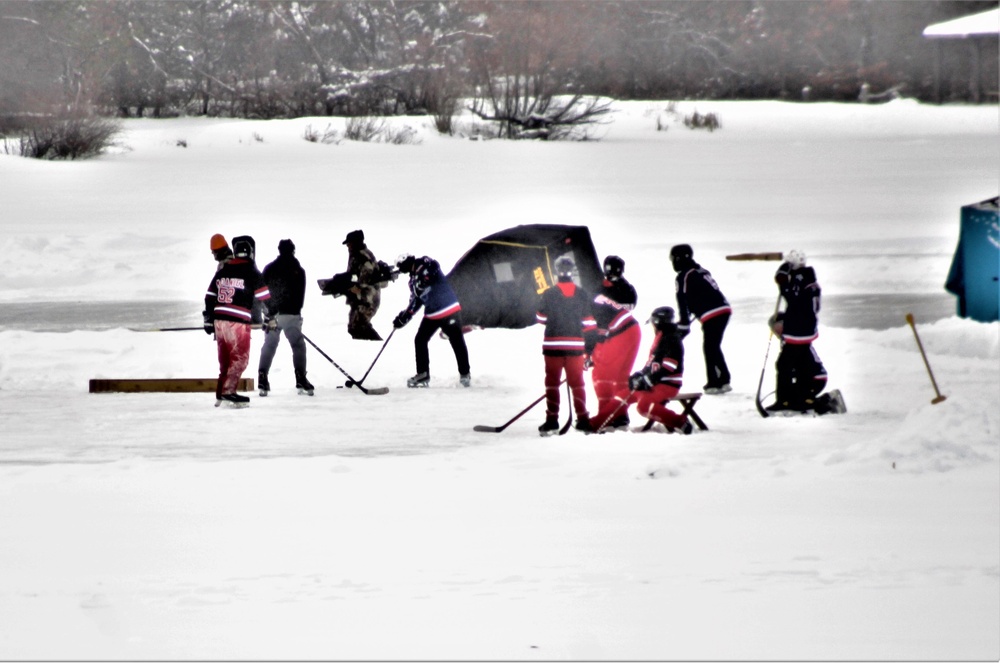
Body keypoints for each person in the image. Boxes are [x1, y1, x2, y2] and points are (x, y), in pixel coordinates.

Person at [767, 250, 842, 414]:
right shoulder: (809, 278)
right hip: (805, 330)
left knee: (784, 364)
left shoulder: (800, 278)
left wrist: (782, 277)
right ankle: (799, 399)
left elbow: (791, 296)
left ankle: (784, 401)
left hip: (799, 330)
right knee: (794, 364)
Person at [203, 235, 271, 407]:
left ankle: (221, 394)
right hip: (237, 320)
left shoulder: (223, 270)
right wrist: (271, 316)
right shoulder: (251, 271)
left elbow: (210, 295)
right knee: (240, 358)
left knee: (225, 360)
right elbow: (264, 297)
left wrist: (208, 318)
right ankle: (228, 392)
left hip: (220, 319)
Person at [536, 256, 598, 435]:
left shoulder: (549, 293)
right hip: (575, 346)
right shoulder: (582, 294)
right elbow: (589, 323)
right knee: (577, 384)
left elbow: (541, 318)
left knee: (552, 384)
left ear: (556, 272)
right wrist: (589, 349)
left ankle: (552, 420)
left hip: (553, 346)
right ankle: (583, 419)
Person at [392, 254, 471, 388]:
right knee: (420, 339)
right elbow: (415, 301)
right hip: (432, 313)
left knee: (456, 339)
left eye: (400, 265)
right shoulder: (412, 281)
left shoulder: (423, 262)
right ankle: (423, 374)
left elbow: (434, 265)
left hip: (448, 308)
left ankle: (465, 373)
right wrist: (404, 317)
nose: (400, 269)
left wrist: (425, 275)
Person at [587, 255, 641, 431]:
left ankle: (605, 416)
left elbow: (592, 325)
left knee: (601, 376)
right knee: (619, 378)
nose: (612, 275)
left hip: (618, 332)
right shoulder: (619, 289)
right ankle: (619, 415)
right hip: (630, 331)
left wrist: (588, 352)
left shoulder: (601, 290)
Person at [671, 243, 733, 394]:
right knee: (713, 345)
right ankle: (723, 379)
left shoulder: (683, 276)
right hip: (724, 309)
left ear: (678, 259)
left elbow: (682, 299)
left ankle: (715, 382)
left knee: (710, 346)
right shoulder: (700, 270)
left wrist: (684, 323)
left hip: (712, 313)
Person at [257, 238, 314, 397]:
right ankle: (301, 378)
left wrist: (267, 312)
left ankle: (262, 378)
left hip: (272, 314)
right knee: (298, 345)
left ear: (279, 250)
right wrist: (296, 314)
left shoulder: (269, 268)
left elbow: (261, 291)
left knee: (270, 344)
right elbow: (300, 296)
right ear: (293, 250)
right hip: (291, 314)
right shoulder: (299, 270)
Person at [627, 306, 694, 434]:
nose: (652, 325)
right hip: (655, 382)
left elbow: (668, 367)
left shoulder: (671, 338)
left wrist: (647, 380)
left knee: (644, 406)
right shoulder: (661, 336)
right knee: (623, 391)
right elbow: (651, 364)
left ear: (658, 322)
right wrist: (639, 375)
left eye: (653, 322)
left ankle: (680, 422)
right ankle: (613, 422)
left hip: (668, 384)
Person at [342, 229, 387, 341]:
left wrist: (357, 287)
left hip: (368, 299)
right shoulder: (356, 254)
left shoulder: (363, 256)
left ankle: (374, 345)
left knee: (359, 325)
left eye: (349, 243)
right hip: (360, 298)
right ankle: (363, 347)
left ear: (356, 242)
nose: (347, 245)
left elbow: (367, 274)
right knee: (354, 326)